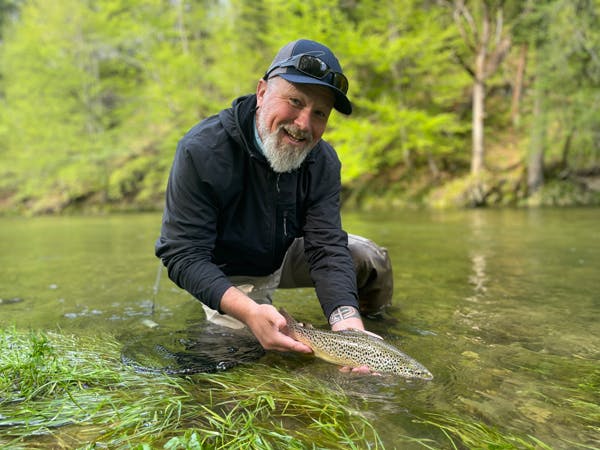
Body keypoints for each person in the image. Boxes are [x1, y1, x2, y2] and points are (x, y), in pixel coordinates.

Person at [155, 39, 393, 370]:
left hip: (285, 252)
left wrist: (351, 332)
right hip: (228, 269)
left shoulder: (322, 161)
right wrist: (250, 311)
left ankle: (376, 329)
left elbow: (325, 246)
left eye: (320, 113)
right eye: (295, 101)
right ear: (262, 92)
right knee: (244, 355)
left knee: (369, 260)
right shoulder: (202, 151)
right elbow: (182, 254)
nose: (303, 124)